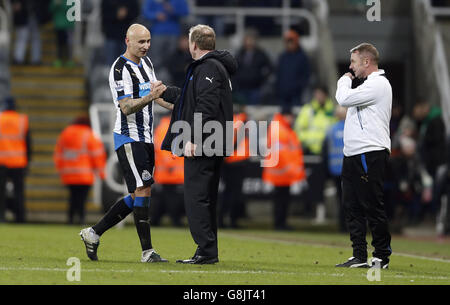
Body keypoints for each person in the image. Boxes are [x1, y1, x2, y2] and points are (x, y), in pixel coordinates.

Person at [79, 24, 173, 263]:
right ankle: (147, 252)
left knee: (141, 191)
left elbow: (156, 95)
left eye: (149, 41)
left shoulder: (147, 64)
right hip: (128, 136)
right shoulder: (119, 69)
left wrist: (175, 107)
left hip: (146, 137)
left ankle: (93, 233)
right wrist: (151, 96)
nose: (146, 46)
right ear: (127, 41)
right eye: (141, 42)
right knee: (143, 189)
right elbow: (126, 106)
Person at [160, 24, 237, 264]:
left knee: (196, 197)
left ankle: (205, 250)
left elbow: (206, 105)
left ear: (193, 44)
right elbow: (191, 99)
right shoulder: (213, 66)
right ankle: (207, 250)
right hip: (213, 140)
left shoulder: (208, 67)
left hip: (204, 142)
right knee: (206, 196)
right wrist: (164, 92)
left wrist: (193, 138)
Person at [335, 43, 392, 269]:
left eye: (353, 62)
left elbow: (343, 99)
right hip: (353, 154)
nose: (351, 67)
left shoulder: (378, 84)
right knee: (352, 206)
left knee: (372, 205)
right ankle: (359, 254)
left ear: (366, 62)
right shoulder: (368, 86)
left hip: (370, 152)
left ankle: (380, 256)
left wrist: (344, 79)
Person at [54, 116, 106, 224]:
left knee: (73, 197)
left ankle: (70, 219)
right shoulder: (88, 134)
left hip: (68, 173)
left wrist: (60, 169)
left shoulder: (66, 133)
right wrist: (101, 173)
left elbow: (58, 153)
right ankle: (81, 219)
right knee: (82, 199)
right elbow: (97, 154)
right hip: (84, 174)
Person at [294, 85, 336, 222]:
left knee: (334, 185)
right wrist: (314, 140)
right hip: (312, 153)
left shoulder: (333, 111)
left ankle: (328, 215)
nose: (318, 97)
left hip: (330, 154)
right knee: (314, 184)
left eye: (320, 94)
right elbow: (298, 131)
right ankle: (316, 213)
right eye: (316, 94)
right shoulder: (308, 110)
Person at [262, 111, 306, 230]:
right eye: (290, 116)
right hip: (282, 171)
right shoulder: (281, 130)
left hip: (282, 172)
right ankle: (279, 223)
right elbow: (283, 153)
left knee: (282, 199)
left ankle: (281, 222)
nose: (291, 119)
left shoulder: (282, 128)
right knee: (281, 199)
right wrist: (292, 170)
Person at [0, 97, 31, 223]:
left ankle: (1, 216)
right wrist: (28, 160)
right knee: (19, 192)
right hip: (19, 161)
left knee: (0, 192)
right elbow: (28, 142)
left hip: (1, 161)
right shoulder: (22, 120)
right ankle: (20, 217)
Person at [218, 111, 250, 229]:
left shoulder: (227, 119)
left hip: (227, 161)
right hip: (237, 162)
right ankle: (232, 220)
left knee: (227, 192)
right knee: (235, 193)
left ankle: (221, 219)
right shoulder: (241, 121)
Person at [152, 115, 184, 227]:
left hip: (168, 171)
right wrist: (170, 163)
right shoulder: (167, 127)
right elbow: (163, 148)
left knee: (165, 197)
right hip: (170, 171)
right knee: (171, 198)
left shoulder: (164, 126)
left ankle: (157, 220)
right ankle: (173, 220)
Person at [142, 0, 189, 71]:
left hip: (174, 33)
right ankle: (156, 78)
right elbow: (145, 13)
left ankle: (170, 79)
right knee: (155, 59)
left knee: (172, 59)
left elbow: (185, 12)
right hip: (157, 33)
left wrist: (173, 10)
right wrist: (156, 15)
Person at [322, 105, 347, 232]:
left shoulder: (330, 130)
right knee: (350, 198)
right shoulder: (352, 128)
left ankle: (342, 225)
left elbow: (325, 151)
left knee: (340, 198)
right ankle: (348, 225)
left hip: (335, 169)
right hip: (348, 170)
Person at [233, 28, 272, 105]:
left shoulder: (261, 54)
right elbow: (233, 68)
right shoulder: (240, 54)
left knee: (254, 110)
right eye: (248, 39)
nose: (249, 42)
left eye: (252, 39)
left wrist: (261, 79)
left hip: (255, 88)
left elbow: (269, 68)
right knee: (241, 111)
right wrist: (237, 80)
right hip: (241, 88)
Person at [275, 29, 310, 113]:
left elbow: (306, 75)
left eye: (291, 41)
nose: (290, 44)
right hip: (283, 94)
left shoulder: (302, 57)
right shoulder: (282, 57)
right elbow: (278, 74)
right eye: (288, 41)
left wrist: (299, 87)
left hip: (297, 95)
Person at [101, 0, 140, 66]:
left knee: (127, 63)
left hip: (127, 36)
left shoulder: (131, 2)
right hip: (111, 35)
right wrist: (116, 14)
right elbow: (104, 12)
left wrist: (126, 14)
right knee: (110, 62)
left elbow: (136, 13)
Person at [12, 0, 50, 65]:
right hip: (23, 15)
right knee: (22, 36)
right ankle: (18, 58)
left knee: (36, 38)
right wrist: (16, 2)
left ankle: (36, 59)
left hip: (36, 14)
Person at [49, 0, 75, 67]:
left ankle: (69, 60)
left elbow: (72, 10)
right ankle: (59, 59)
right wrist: (55, 4)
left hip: (68, 25)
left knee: (69, 43)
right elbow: (50, 9)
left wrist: (61, 4)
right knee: (59, 43)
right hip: (58, 25)